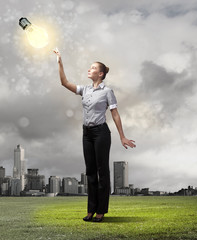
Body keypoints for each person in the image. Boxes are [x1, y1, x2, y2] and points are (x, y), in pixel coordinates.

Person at [53, 48, 136, 222]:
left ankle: (101, 211)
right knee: (90, 172)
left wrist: (122, 136)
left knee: (102, 172)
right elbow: (64, 82)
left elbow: (115, 114)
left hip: (101, 133)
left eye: (92, 68)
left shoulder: (107, 92)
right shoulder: (85, 90)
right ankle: (90, 210)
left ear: (100, 73)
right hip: (87, 134)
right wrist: (60, 61)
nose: (88, 70)